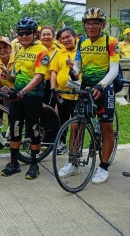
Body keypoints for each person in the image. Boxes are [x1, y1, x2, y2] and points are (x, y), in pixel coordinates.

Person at [71, 7, 120, 184]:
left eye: (95, 23)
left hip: (105, 88)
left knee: (106, 129)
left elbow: (114, 69)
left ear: (102, 25)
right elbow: (78, 65)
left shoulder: (111, 41)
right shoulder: (81, 42)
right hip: (86, 88)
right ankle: (73, 162)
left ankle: (103, 167)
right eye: (88, 23)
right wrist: (73, 72)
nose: (91, 26)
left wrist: (102, 84)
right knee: (76, 125)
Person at [0, 18, 49, 180]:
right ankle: (14, 164)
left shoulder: (42, 50)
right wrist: (8, 76)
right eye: (21, 33)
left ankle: (34, 165)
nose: (24, 36)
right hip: (17, 97)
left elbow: (38, 77)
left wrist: (22, 93)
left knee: (33, 129)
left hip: (33, 97)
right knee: (14, 128)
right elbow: (17, 77)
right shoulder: (19, 51)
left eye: (28, 33)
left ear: (35, 33)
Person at [49, 27, 79, 160]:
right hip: (62, 93)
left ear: (75, 37)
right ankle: (61, 143)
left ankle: (74, 150)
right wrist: (53, 88)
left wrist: (71, 64)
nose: (65, 40)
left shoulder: (81, 51)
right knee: (62, 119)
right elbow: (54, 71)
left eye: (68, 37)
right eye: (63, 38)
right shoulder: (58, 52)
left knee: (76, 123)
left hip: (78, 93)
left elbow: (82, 68)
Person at [40, 25, 61, 107]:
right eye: (43, 35)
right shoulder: (36, 49)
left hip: (52, 83)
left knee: (50, 107)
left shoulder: (59, 50)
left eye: (48, 34)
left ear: (53, 36)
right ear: (40, 36)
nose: (46, 37)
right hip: (38, 82)